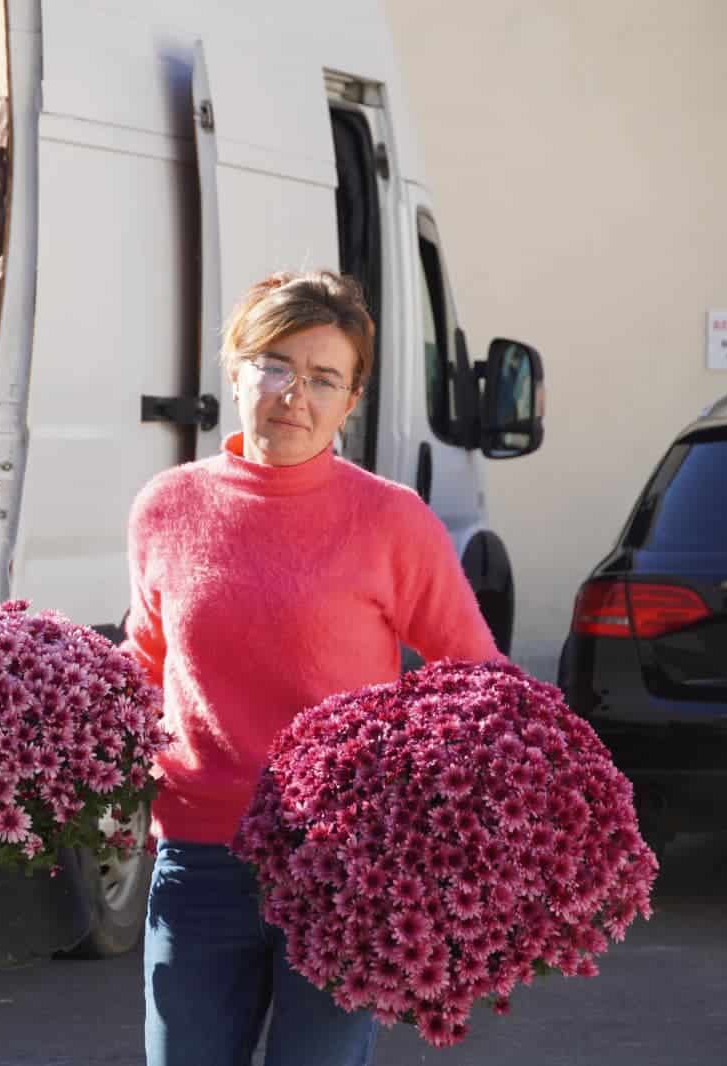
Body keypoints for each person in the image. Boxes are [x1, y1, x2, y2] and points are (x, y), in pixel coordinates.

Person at [123, 270, 499, 1066]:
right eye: (276, 366)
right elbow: (144, 661)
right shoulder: (166, 505)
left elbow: (478, 677)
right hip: (201, 859)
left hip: (346, 867)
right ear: (236, 369)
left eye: (324, 377)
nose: (295, 394)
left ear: (351, 400)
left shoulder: (392, 519)